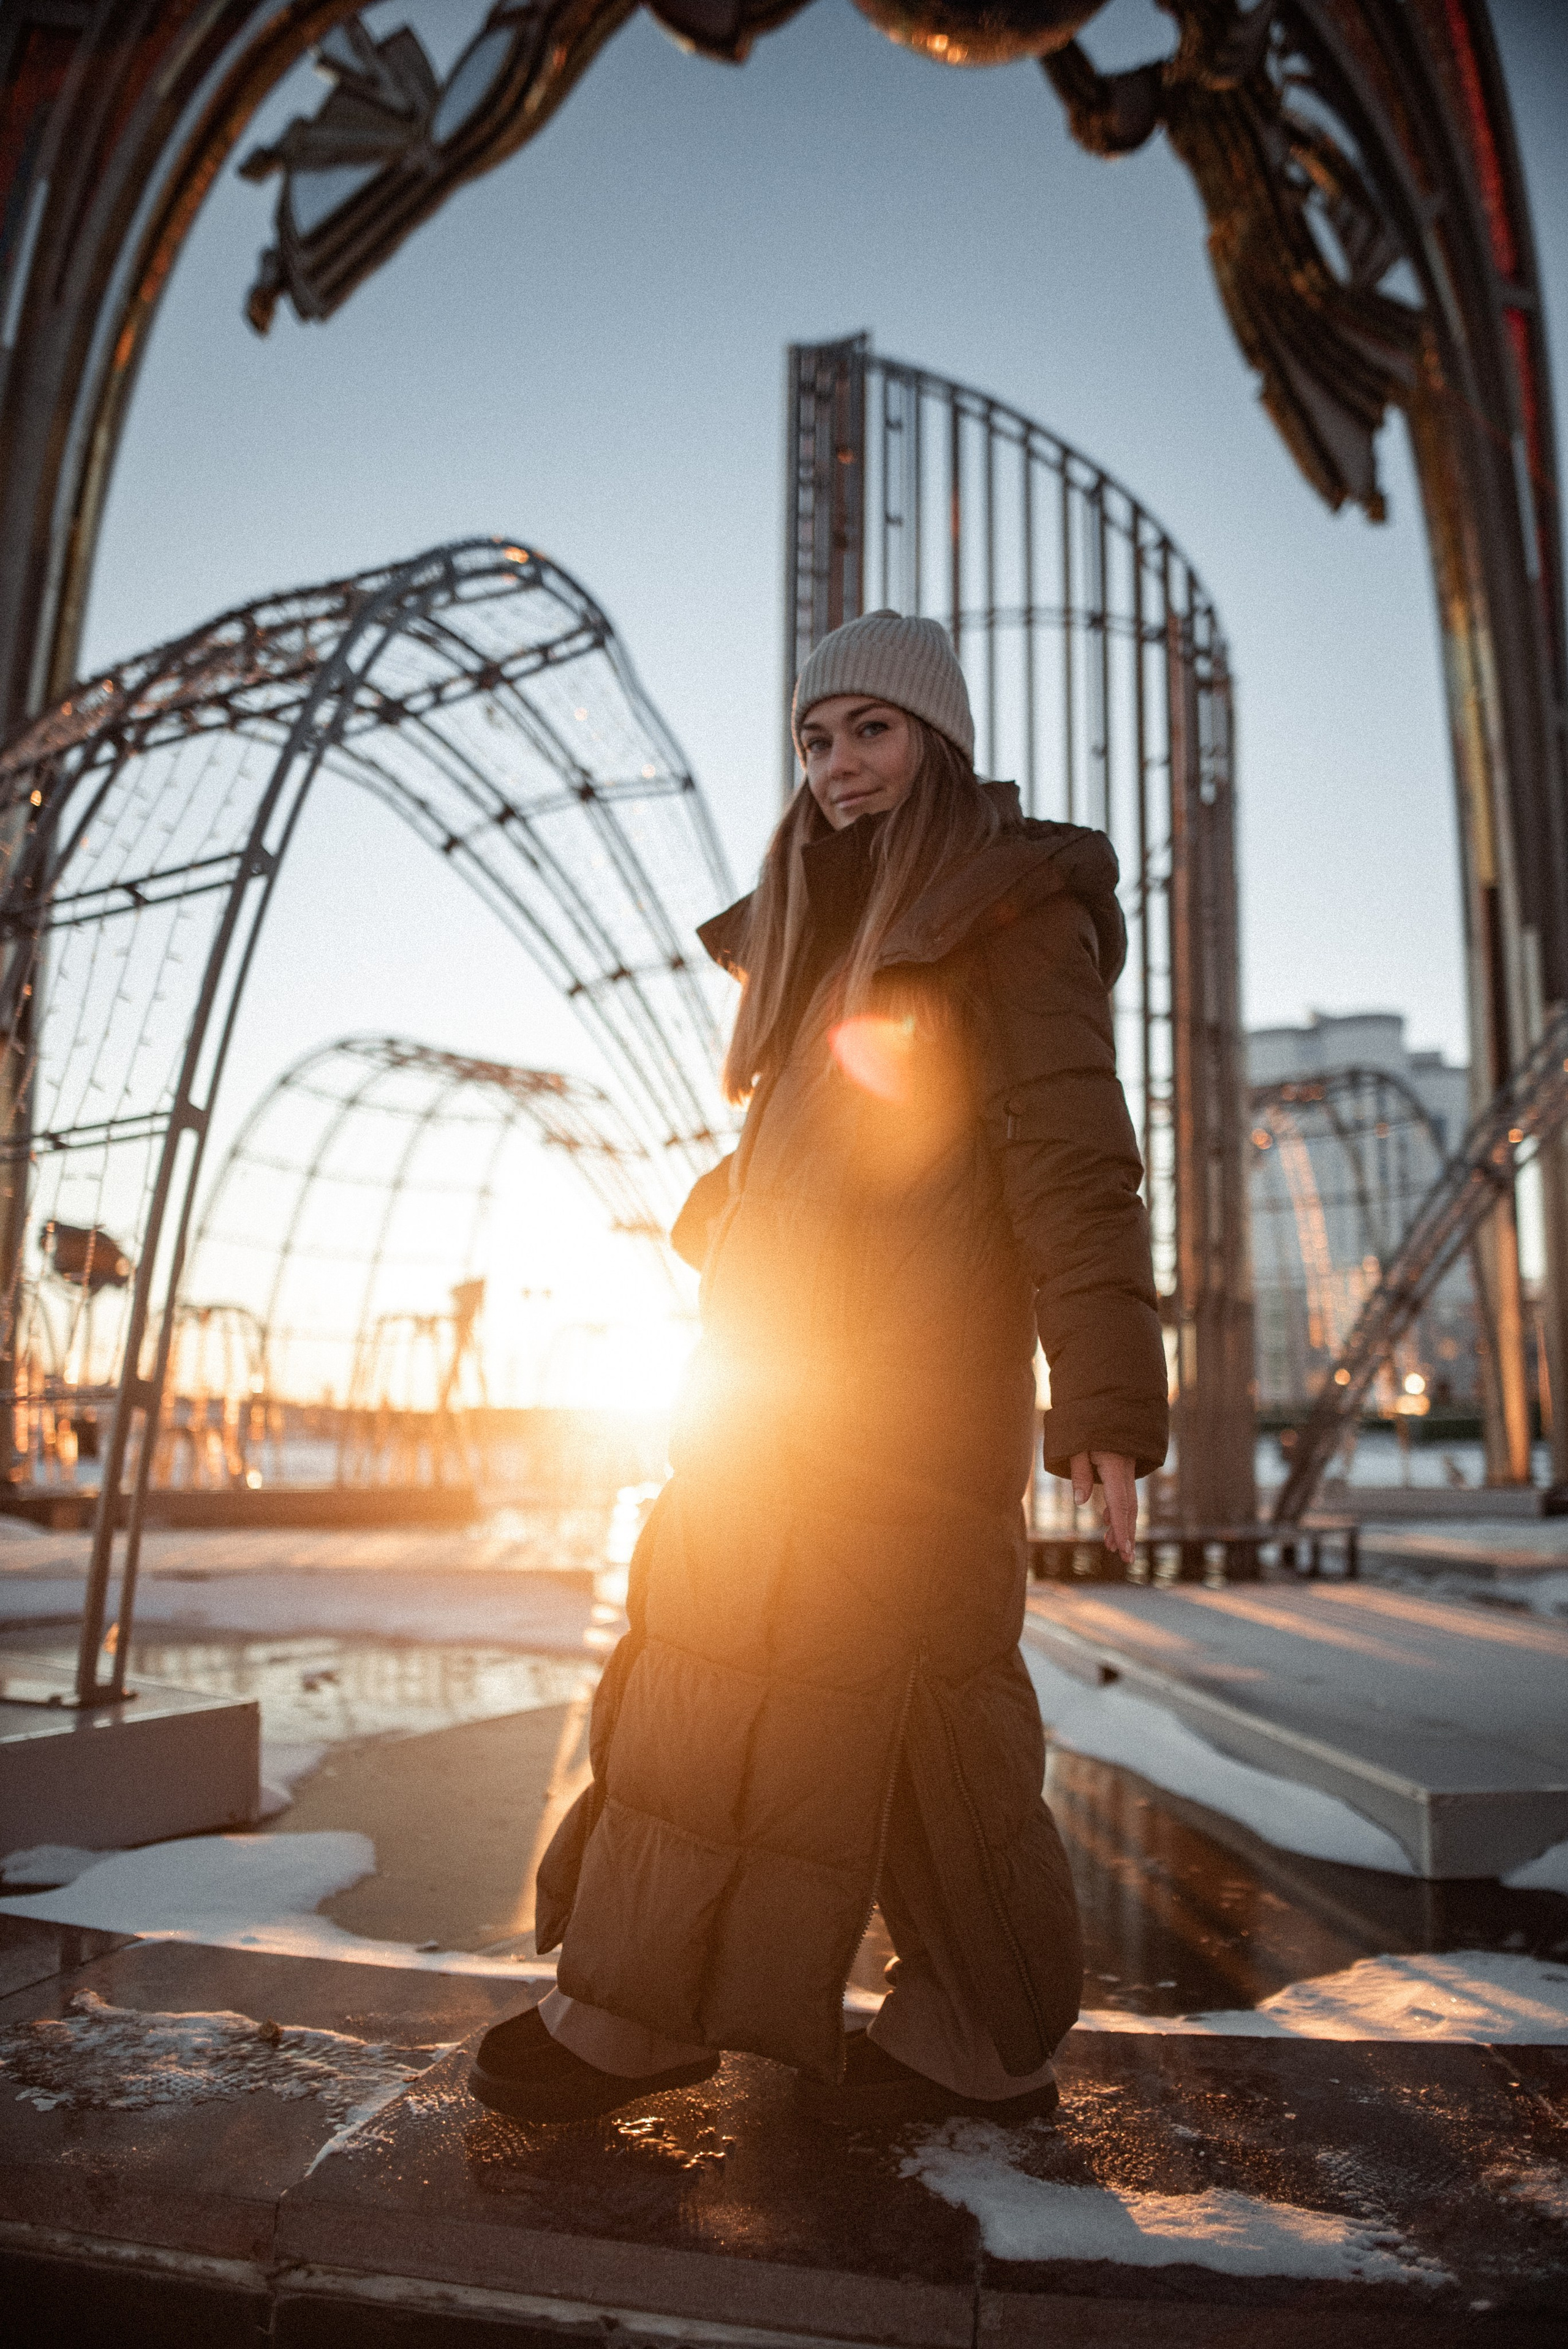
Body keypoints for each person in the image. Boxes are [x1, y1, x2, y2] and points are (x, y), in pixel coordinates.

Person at [470, 610, 1168, 2127]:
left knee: (920, 1708)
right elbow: (845, 1136)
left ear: (938, 740)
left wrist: (1104, 1400)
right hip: (777, 1391)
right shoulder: (816, 919)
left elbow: (1069, 1156)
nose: (837, 766)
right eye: (813, 736)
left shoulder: (1005, 914)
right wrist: (732, 1211)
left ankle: (947, 2037)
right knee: (718, 1683)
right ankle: (706, 2010)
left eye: (872, 730)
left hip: (907, 1411)